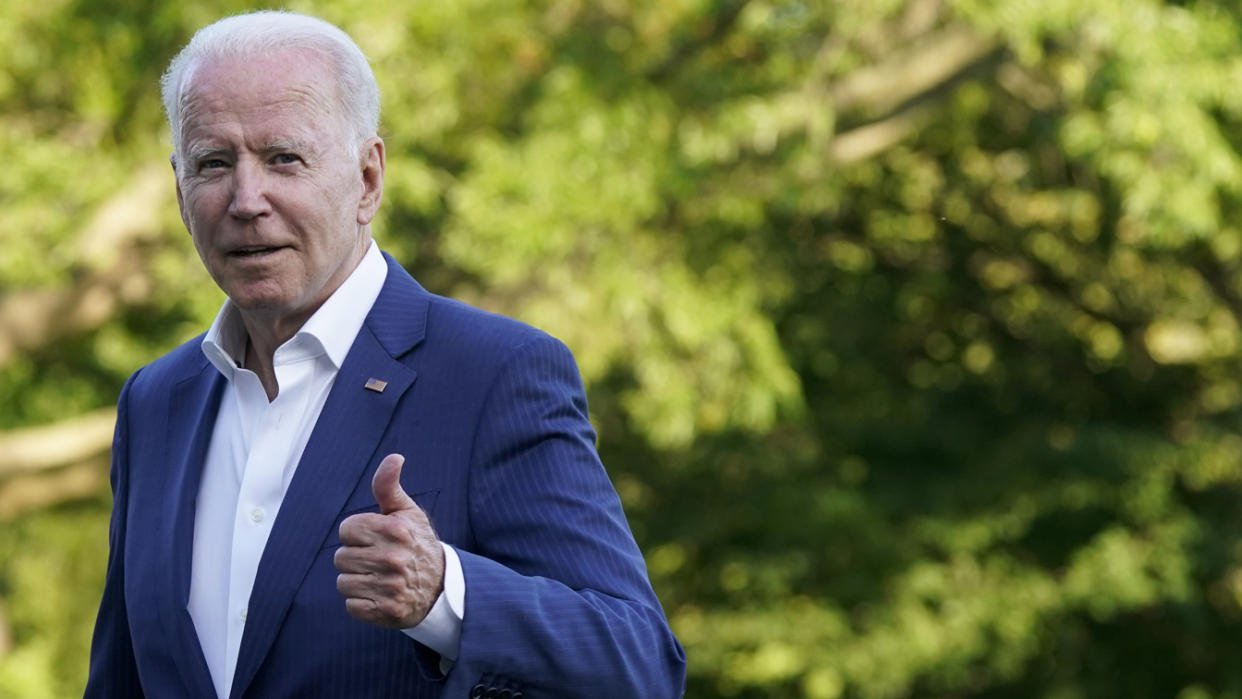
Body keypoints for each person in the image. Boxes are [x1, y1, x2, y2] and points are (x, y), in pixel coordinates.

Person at [84, 10, 685, 698]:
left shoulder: (492, 375)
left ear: (368, 179)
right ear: (180, 191)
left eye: (285, 158)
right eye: (214, 164)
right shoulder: (155, 402)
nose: (247, 200)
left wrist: (445, 595)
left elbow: (639, 662)